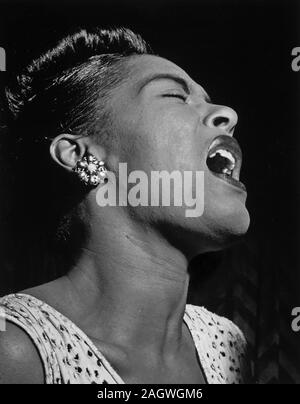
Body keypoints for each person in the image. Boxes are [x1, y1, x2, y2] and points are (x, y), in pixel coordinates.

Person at [0, 27, 250, 384]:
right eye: (175, 96)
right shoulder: (14, 350)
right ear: (81, 154)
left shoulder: (228, 345)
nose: (228, 113)